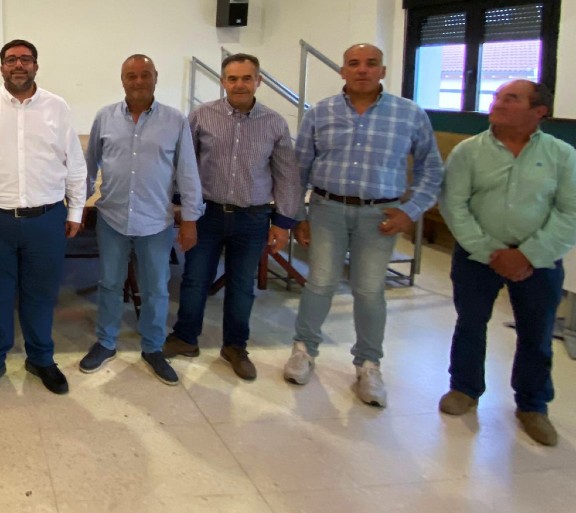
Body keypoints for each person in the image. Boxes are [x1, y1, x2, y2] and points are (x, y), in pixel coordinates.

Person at [283, 43, 443, 407]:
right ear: (342, 71)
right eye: (353, 63)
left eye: (371, 64)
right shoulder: (320, 112)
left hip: (380, 216)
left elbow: (432, 169)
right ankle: (303, 350)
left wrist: (411, 211)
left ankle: (368, 365)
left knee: (369, 291)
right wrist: (299, 217)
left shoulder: (409, 114)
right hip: (327, 209)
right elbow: (299, 169)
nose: (362, 70)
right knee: (320, 282)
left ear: (383, 71)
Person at [439, 80, 576, 446]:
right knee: (470, 323)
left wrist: (528, 254)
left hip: (539, 261)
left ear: (539, 111)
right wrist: (490, 252)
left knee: (537, 333)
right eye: (498, 96)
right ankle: (464, 388)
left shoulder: (562, 154)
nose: (497, 103)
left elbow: (570, 211)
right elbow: (454, 205)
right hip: (477, 257)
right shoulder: (468, 151)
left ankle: (533, 405)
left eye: (511, 99)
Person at [0, 39, 87, 399]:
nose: (18, 65)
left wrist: (76, 210)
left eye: (25, 59)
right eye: (11, 59)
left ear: (36, 66)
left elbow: (74, 162)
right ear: (1, 67)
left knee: (41, 294)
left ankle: (41, 358)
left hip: (46, 218)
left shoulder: (57, 107)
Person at [165, 53, 301, 380]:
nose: (239, 85)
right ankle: (186, 337)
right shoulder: (201, 116)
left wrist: (283, 223)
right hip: (207, 214)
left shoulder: (275, 123)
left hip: (253, 218)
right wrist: (182, 209)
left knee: (242, 285)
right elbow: (183, 165)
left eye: (246, 78)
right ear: (223, 81)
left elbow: (286, 175)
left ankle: (235, 346)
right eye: (233, 78)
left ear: (258, 81)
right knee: (195, 279)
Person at [80, 54, 201, 385]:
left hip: (156, 221)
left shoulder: (175, 121)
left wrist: (190, 219)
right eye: (131, 76)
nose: (138, 81)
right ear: (122, 80)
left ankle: (153, 347)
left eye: (145, 74)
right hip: (112, 217)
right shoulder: (105, 118)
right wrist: (77, 206)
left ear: (155, 77)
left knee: (156, 289)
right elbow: (89, 167)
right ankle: (106, 342)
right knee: (109, 283)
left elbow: (187, 172)